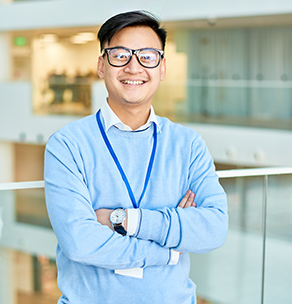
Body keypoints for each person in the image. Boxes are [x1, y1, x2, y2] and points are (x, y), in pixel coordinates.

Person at [44, 10, 228, 304]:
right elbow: (80, 242)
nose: (134, 67)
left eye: (147, 56)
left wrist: (126, 220)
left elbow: (214, 228)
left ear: (162, 67)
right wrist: (167, 250)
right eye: (120, 55)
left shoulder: (187, 144)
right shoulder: (67, 145)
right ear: (102, 65)